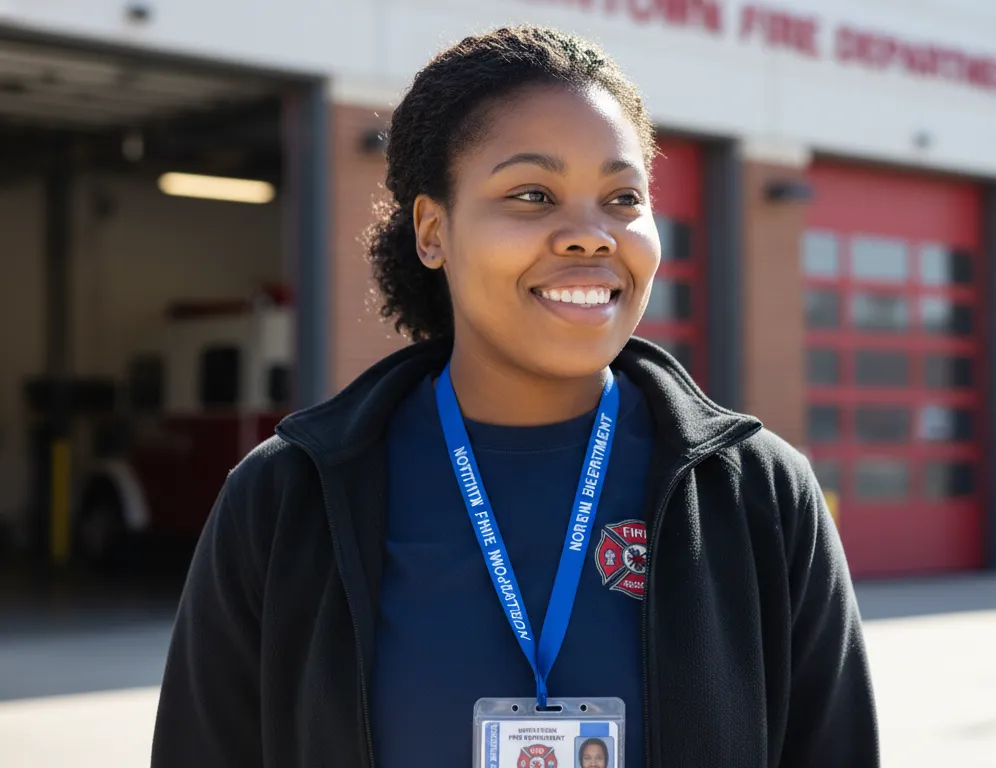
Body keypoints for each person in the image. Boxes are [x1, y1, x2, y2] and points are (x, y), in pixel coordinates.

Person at [150, 25, 877, 768]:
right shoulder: (287, 498)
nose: (592, 236)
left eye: (623, 196)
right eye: (533, 194)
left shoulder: (757, 493)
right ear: (433, 231)